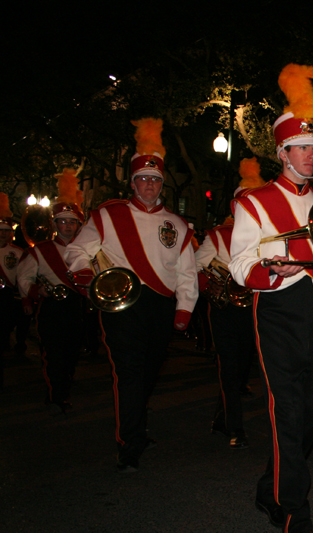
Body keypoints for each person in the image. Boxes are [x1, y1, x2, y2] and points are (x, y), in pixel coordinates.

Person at [227, 64, 313, 533]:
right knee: (287, 412)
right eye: (303, 148)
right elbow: (240, 262)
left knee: (310, 417)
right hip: (278, 310)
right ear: (282, 152)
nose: (312, 156)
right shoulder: (255, 201)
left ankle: (272, 487)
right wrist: (269, 269)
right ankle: (292, 509)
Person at [66, 118, 199, 471]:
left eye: (155, 180)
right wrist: (81, 272)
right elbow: (77, 251)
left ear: (162, 184)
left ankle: (136, 427)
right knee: (129, 373)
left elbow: (186, 272)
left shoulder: (179, 224)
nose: (150, 185)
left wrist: (184, 309)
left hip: (160, 306)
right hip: (123, 305)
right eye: (143, 179)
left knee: (150, 372)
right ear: (133, 182)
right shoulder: (110, 215)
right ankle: (130, 440)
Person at [196, 158, 264, 449]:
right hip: (224, 309)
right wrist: (214, 284)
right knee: (228, 366)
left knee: (242, 367)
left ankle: (222, 416)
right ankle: (234, 426)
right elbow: (195, 267)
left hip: (255, 309)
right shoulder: (217, 235)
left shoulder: (266, 238)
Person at [17, 173, 86, 414]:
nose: (67, 226)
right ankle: (56, 394)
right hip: (52, 307)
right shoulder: (42, 250)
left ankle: (63, 385)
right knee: (53, 353)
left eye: (72, 222)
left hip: (78, 307)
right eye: (63, 222)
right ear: (55, 225)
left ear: (78, 225)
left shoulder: (85, 250)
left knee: (71, 353)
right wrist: (38, 290)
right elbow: (23, 277)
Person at [0, 193, 25, 389]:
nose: (2, 234)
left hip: (10, 296)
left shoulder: (18, 251)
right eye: (0, 230)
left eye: (5, 231)